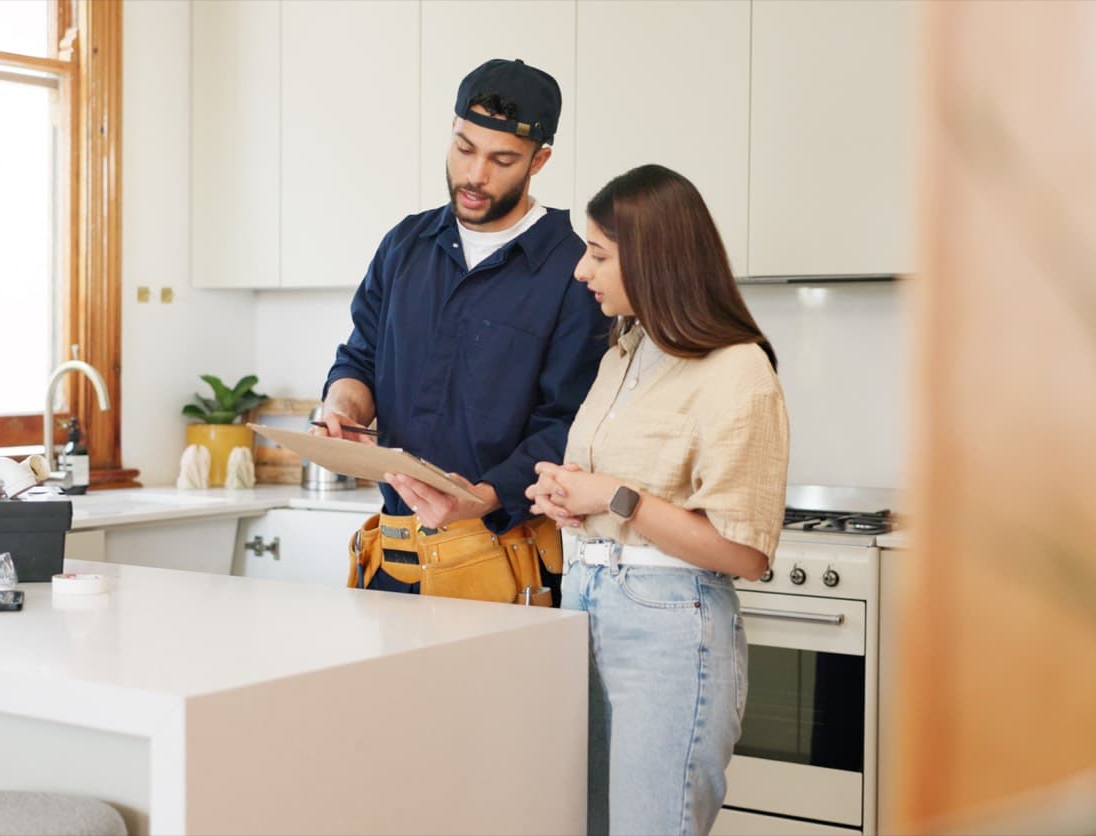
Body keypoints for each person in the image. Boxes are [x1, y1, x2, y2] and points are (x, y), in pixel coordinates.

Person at [525, 163, 789, 835]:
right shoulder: (624, 351)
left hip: (669, 628)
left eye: (598, 254)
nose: (582, 272)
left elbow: (745, 553)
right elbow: (606, 490)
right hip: (583, 603)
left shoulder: (738, 368)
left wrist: (616, 498)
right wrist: (567, 496)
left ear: (654, 259)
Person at [316, 58, 611, 605]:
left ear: (538, 161)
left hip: (502, 560)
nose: (475, 176)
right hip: (393, 560)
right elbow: (358, 361)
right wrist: (344, 411)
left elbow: (569, 422)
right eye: (464, 148)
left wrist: (483, 496)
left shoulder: (573, 269)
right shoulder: (404, 246)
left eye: (502, 160)